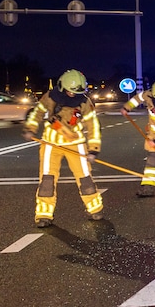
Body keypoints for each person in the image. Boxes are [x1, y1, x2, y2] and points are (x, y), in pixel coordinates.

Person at [22, 69, 104, 227]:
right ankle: (44, 215)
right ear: (62, 87)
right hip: (51, 144)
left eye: (77, 92)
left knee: (85, 178)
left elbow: (93, 125)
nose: (73, 95)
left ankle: (95, 209)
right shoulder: (50, 97)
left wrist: (93, 149)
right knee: (47, 179)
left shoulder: (85, 102)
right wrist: (30, 128)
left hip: (76, 144)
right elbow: (37, 113)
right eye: (70, 92)